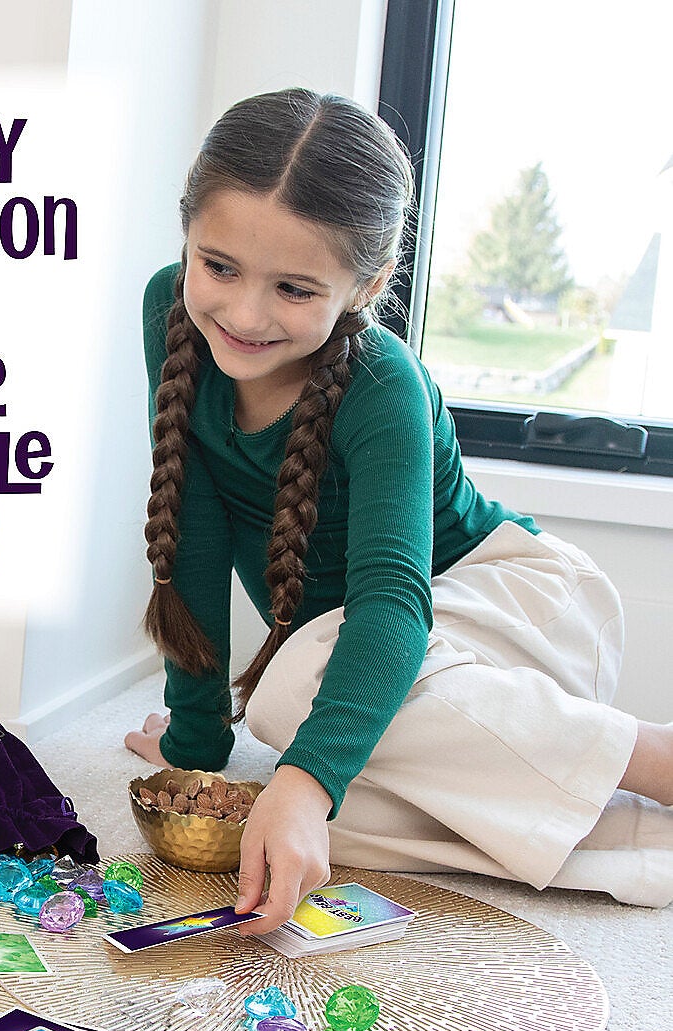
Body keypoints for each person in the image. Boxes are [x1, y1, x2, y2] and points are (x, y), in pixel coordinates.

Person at [125, 88, 673, 927]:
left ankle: (651, 757)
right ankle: (596, 818)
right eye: (219, 266)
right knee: (294, 794)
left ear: (369, 283)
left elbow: (389, 602)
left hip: (508, 600)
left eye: (294, 288)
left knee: (294, 713)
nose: (244, 313)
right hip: (374, 655)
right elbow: (190, 528)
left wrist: (308, 781)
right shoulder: (168, 312)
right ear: (187, 236)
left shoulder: (384, 382)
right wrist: (195, 748)